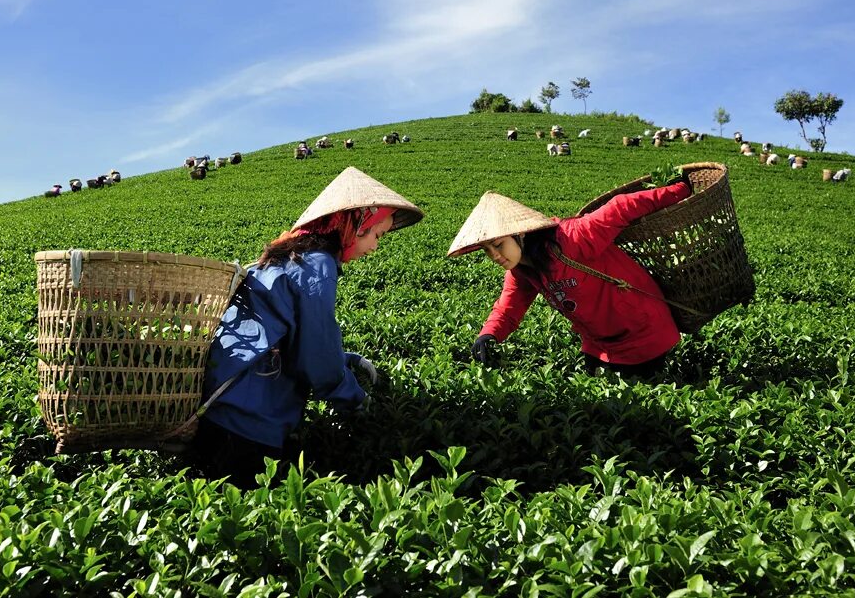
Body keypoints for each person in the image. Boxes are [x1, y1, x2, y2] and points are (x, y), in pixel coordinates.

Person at [192, 166, 423, 486]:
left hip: (220, 410)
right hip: (251, 422)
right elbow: (314, 356)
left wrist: (345, 359)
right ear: (357, 221)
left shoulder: (289, 255)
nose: (375, 247)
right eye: (376, 234)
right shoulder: (318, 264)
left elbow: (285, 334)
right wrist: (356, 399)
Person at [447, 178, 691, 380]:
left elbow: (621, 207)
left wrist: (681, 190)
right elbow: (508, 308)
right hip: (599, 341)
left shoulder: (572, 238)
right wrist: (488, 334)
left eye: (498, 245)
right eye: (487, 251)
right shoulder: (521, 270)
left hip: (642, 331)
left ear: (519, 233)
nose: (495, 256)